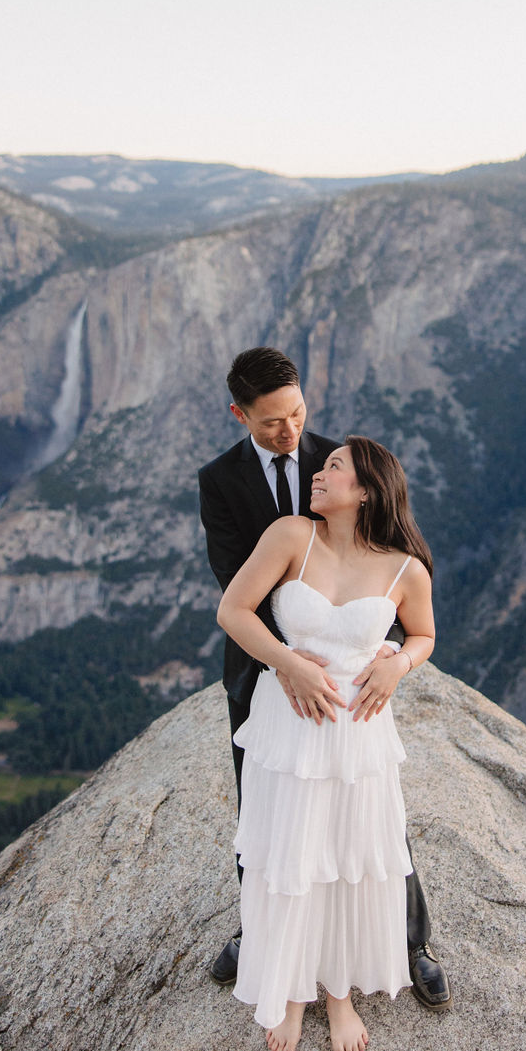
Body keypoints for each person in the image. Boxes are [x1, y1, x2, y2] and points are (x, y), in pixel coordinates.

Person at [198, 348, 450, 1010]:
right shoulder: (221, 481)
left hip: (349, 679)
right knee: (269, 806)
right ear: (241, 415)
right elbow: (236, 587)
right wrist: (292, 663)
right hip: (265, 664)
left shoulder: (339, 460)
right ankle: (263, 932)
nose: (292, 434)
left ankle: (410, 937)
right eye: (274, 422)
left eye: (299, 414)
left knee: (372, 815)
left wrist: (392, 657)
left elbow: (386, 579)